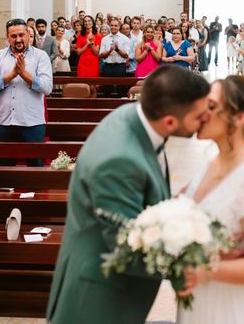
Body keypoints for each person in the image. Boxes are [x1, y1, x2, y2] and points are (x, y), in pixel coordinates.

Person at [46, 66, 211, 324]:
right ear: (169, 121)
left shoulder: (137, 115)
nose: (205, 120)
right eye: (198, 116)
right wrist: (200, 265)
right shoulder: (119, 160)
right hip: (98, 300)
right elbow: (126, 247)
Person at [177, 76, 244, 324]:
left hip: (235, 308)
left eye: (211, 107)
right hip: (200, 301)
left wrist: (205, 271)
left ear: (240, 117)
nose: (202, 113)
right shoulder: (211, 162)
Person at [0, 18, 53, 166]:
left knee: (35, 171)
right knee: (6, 175)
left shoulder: (40, 56)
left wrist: (25, 74)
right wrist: (10, 75)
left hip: (32, 123)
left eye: (21, 35)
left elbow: (47, 87)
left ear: (28, 34)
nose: (18, 39)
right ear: (7, 37)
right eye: (13, 36)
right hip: (5, 123)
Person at [99, 19, 130, 96]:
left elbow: (126, 55)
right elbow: (101, 55)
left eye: (115, 25)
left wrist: (117, 49)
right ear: (109, 26)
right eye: (112, 25)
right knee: (106, 90)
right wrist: (110, 51)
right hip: (107, 67)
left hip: (120, 67)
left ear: (119, 27)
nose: (113, 27)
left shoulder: (124, 38)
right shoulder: (104, 39)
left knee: (121, 90)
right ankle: (106, 106)